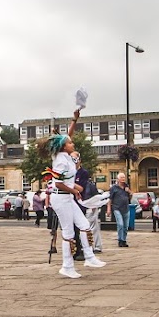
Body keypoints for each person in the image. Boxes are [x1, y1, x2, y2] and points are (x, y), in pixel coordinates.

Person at [47, 109, 105, 278]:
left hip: (67, 197)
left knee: (85, 226)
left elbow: (68, 135)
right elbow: (57, 183)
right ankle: (67, 266)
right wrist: (74, 191)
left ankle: (89, 257)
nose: (73, 144)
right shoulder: (59, 160)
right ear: (64, 147)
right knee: (68, 232)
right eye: (70, 144)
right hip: (60, 197)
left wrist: (74, 119)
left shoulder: (68, 156)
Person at [107, 172, 133, 248]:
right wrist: (108, 209)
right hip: (117, 208)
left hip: (126, 208)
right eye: (121, 177)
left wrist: (129, 192)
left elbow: (130, 196)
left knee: (126, 226)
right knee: (120, 224)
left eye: (124, 177)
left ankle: (124, 240)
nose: (123, 179)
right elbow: (110, 199)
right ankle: (120, 240)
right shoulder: (113, 188)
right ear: (118, 179)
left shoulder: (126, 187)